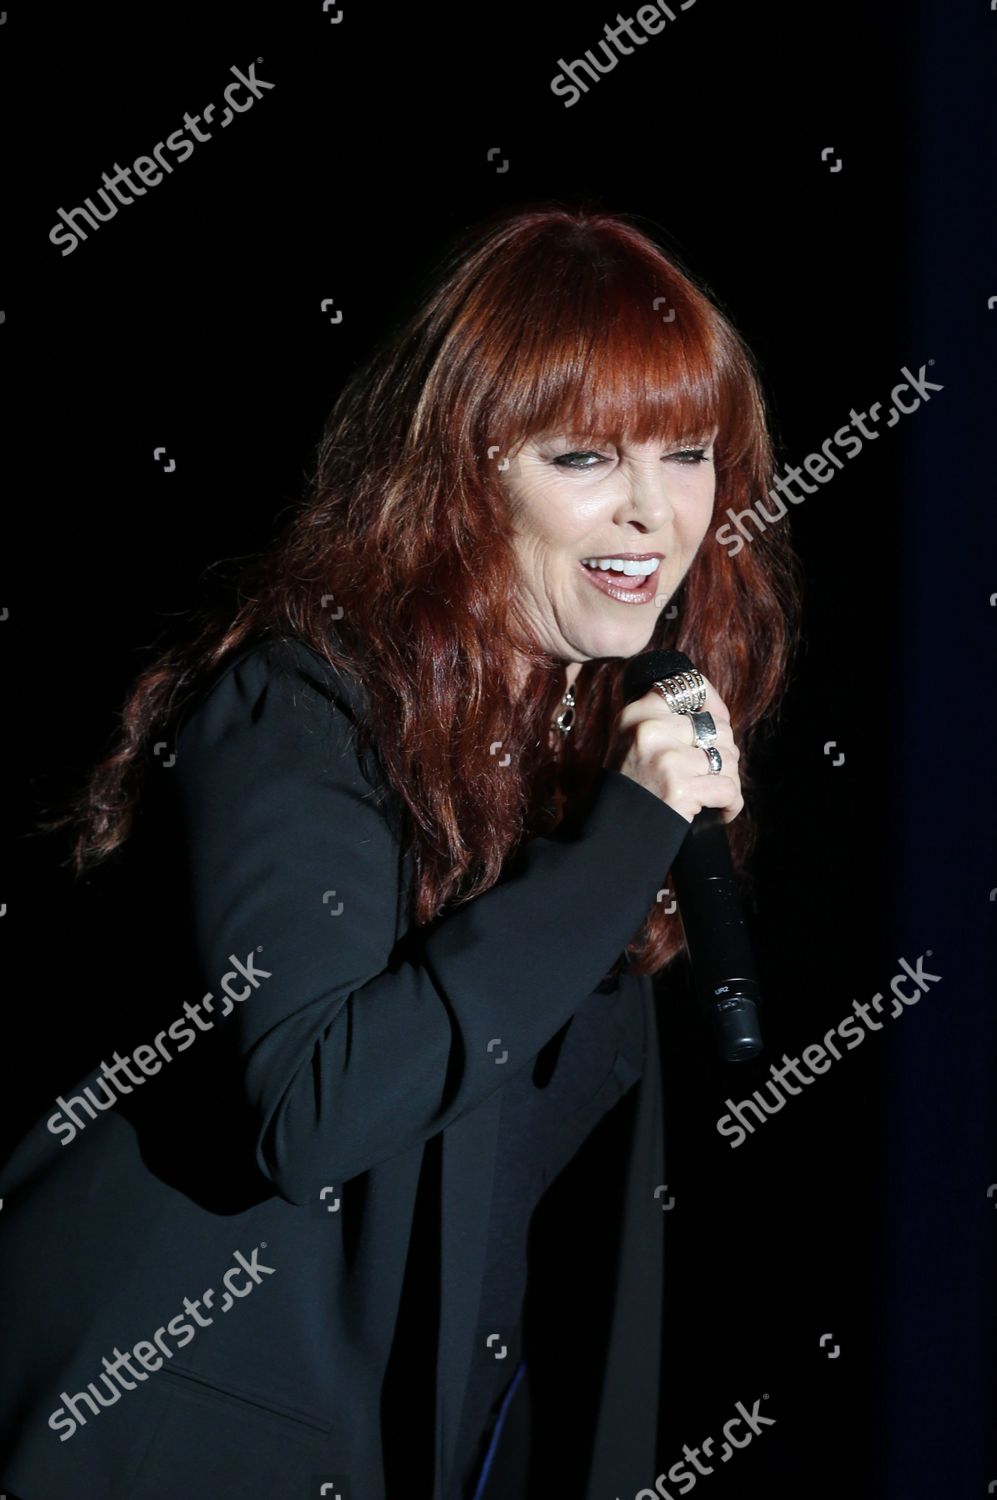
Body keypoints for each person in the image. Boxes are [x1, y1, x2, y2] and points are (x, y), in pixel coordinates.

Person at [0, 203, 801, 1500]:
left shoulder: (581, 775)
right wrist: (622, 840)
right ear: (466, 469)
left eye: (689, 453)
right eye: (585, 454)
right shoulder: (299, 704)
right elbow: (312, 1107)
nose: (655, 512)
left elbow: (573, 1261)